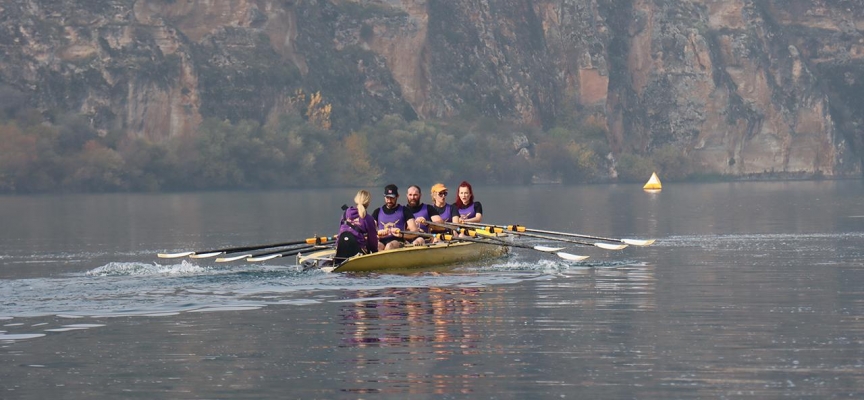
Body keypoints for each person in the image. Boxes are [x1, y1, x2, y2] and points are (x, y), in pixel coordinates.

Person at [372, 184, 420, 250]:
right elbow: (371, 231)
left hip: (399, 241)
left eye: (392, 198)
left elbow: (415, 232)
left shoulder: (405, 210)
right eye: (387, 197)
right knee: (377, 246)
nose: (389, 200)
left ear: (397, 196)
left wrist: (401, 235)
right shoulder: (377, 211)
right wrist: (378, 234)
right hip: (382, 241)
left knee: (389, 246)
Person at [335, 190, 378, 264]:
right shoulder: (368, 219)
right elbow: (373, 241)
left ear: (356, 200)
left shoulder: (345, 214)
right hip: (357, 252)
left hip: (340, 248)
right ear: (368, 203)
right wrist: (375, 252)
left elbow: (340, 231)